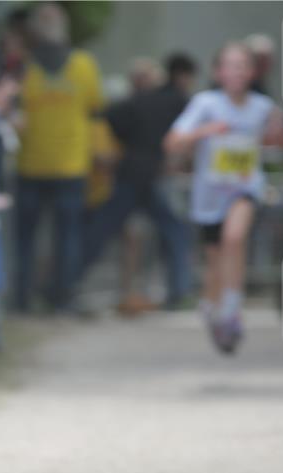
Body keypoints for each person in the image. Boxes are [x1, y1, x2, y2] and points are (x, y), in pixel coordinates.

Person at [164, 42, 283, 354]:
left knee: (234, 238)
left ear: (252, 71)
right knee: (216, 262)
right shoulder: (205, 104)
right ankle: (212, 305)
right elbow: (173, 142)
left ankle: (231, 311)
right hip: (209, 195)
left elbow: (278, 140)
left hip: (245, 189)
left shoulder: (262, 106)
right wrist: (203, 132)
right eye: (230, 65)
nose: (237, 72)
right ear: (218, 72)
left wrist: (276, 135)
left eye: (243, 65)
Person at [80, 53, 197, 312]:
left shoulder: (136, 101)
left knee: (103, 231)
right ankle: (180, 291)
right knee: (174, 231)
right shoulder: (175, 101)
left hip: (131, 173)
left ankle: (68, 283)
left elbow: (110, 117)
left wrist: (128, 143)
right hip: (149, 176)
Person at [13, 2, 103, 312]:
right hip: (66, 164)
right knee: (66, 237)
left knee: (31, 239)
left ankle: (25, 299)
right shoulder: (83, 65)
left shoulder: (25, 67)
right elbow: (95, 110)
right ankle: (61, 298)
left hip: (37, 165)